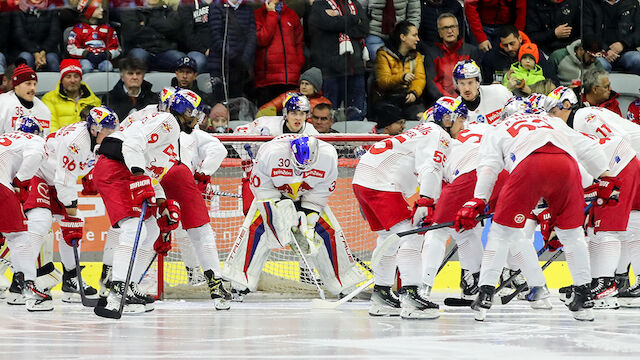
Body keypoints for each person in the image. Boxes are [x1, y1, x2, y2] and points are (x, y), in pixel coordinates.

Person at [453, 100, 615, 322]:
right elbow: (588, 147)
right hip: (566, 166)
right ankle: (584, 296)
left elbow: (489, 167)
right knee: (573, 235)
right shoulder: (552, 121)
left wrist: (478, 199)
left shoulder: (500, 127)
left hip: (529, 166)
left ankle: (485, 295)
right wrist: (606, 175)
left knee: (501, 234)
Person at [92, 89, 205, 318]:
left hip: (123, 169)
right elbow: (132, 145)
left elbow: (151, 169)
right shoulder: (168, 121)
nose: (196, 119)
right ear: (182, 111)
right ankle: (117, 289)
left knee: (152, 229)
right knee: (134, 227)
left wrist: (161, 200)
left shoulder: (172, 133)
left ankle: (129, 286)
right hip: (116, 168)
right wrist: (137, 175)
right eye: (193, 113)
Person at [121, 88, 232, 310]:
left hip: (146, 175)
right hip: (173, 174)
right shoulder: (172, 124)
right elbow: (218, 149)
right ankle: (216, 283)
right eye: (193, 115)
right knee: (198, 230)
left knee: (145, 231)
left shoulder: (143, 115)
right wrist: (202, 174)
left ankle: (124, 284)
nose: (196, 120)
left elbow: (123, 137)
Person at [222, 134, 366, 300]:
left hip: (308, 196)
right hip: (274, 196)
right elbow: (263, 191)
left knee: (329, 231)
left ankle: (344, 283)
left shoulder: (328, 157)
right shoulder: (271, 153)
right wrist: (282, 217)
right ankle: (240, 282)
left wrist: (308, 226)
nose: (301, 170)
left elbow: (319, 195)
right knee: (256, 229)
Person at [352, 101, 456, 319]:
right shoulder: (439, 135)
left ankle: (382, 295)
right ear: (447, 120)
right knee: (413, 236)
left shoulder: (422, 130)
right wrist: (426, 201)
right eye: (461, 119)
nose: (463, 124)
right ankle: (411, 295)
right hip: (382, 182)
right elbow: (430, 168)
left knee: (388, 237)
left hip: (363, 177)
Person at [545, 87, 640, 308]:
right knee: (629, 223)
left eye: (553, 110)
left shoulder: (583, 117)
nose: (550, 117)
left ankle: (606, 283)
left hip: (624, 163)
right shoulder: (572, 129)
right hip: (625, 163)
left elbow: (617, 142)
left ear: (567, 105)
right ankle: (601, 280)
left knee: (606, 226)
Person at [19, 106, 120, 308]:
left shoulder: (97, 138)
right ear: (94, 129)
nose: (111, 134)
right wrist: (71, 213)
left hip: (60, 178)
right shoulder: (76, 142)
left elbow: (80, 169)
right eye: (108, 130)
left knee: (72, 227)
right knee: (42, 222)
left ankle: (71, 279)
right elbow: (63, 180)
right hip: (40, 173)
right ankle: (23, 282)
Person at [236, 93, 319, 215]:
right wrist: (249, 157)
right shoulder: (266, 124)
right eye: (294, 113)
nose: (298, 118)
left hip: (293, 179)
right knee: (254, 214)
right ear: (286, 114)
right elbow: (237, 133)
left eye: (302, 113)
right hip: (264, 176)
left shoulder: (311, 132)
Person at [0, 117, 48, 311]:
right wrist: (21, 182)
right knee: (19, 237)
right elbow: (35, 155)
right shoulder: (34, 139)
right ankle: (29, 288)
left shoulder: (5, 137)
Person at [308, 0, 369, 121]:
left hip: (355, 68)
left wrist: (340, 22)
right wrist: (354, 20)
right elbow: (329, 24)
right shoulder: (320, 4)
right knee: (329, 115)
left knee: (357, 113)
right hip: (330, 70)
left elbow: (364, 29)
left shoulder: (355, 4)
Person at [253, 0, 305, 106]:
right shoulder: (258, 15)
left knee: (290, 117)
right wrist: (271, 13)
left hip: (290, 78)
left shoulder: (291, 14)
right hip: (267, 79)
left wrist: (298, 65)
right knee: (266, 119)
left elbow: (299, 43)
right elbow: (262, 39)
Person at [423, 13, 482, 102]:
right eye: (445, 28)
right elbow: (432, 84)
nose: (450, 31)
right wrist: (450, 101)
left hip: (469, 100)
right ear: (440, 33)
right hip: (443, 102)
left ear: (458, 30)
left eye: (453, 27)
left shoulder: (471, 51)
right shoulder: (432, 54)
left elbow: (478, 80)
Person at [374, 20, 426, 120]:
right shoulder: (383, 54)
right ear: (403, 37)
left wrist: (414, 93)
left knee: (421, 116)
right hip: (388, 99)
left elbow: (420, 78)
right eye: (414, 35)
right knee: (391, 118)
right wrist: (402, 77)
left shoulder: (417, 56)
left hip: (409, 99)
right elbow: (383, 81)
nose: (418, 39)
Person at [207, 0, 257, 103]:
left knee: (236, 103)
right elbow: (216, 36)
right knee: (219, 103)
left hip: (240, 67)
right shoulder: (217, 6)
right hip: (220, 64)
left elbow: (252, 35)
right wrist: (233, 56)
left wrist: (245, 58)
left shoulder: (247, 8)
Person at [119, 0, 185, 72]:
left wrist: (146, 23)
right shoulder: (129, 9)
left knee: (182, 60)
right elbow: (132, 33)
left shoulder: (167, 9)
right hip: (140, 48)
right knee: (139, 57)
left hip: (164, 50)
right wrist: (162, 32)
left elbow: (174, 28)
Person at [481, 25, 557, 85]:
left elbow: (552, 80)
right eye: (505, 45)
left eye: (512, 43)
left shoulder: (534, 53)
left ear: (520, 39)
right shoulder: (492, 57)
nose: (509, 48)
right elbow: (486, 84)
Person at [41, 59, 102, 132]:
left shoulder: (94, 100)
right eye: (68, 77)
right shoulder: (49, 99)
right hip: (60, 141)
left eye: (76, 76)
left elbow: (100, 128)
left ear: (80, 79)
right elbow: (51, 128)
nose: (73, 80)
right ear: (62, 80)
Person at [583, 0, 640, 75]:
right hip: (599, 52)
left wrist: (623, 44)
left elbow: (638, 32)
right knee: (601, 66)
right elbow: (587, 33)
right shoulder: (590, 3)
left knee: (637, 60)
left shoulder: (631, 3)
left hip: (626, 51)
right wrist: (605, 50)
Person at [66, 0, 122, 73]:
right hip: (85, 59)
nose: (102, 10)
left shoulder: (108, 28)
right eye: (97, 8)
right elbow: (71, 48)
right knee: (86, 67)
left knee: (108, 67)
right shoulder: (78, 29)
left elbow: (117, 48)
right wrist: (85, 54)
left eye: (102, 7)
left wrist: (107, 54)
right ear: (88, 11)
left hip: (104, 59)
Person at [452, 60, 512, 125]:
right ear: (457, 85)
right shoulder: (454, 110)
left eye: (470, 83)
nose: (466, 89)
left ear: (478, 82)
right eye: (462, 84)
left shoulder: (500, 92)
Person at [257, 67, 331, 117]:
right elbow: (264, 109)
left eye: (307, 84)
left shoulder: (325, 103)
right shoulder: (289, 96)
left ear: (315, 87)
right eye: (302, 83)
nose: (303, 86)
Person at [0, 64, 52, 136]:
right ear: (16, 86)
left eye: (34, 84)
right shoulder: (3, 103)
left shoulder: (44, 109)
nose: (32, 88)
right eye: (28, 84)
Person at [12, 0, 61, 71]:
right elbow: (19, 36)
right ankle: (25, 81)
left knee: (52, 59)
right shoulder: (18, 9)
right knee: (25, 58)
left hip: (48, 50)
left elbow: (55, 33)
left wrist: (43, 51)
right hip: (26, 49)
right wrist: (35, 53)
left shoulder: (52, 8)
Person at [178, 0, 213, 74]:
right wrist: (204, 50)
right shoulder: (186, 4)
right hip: (197, 50)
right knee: (199, 62)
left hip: (218, 49)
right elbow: (188, 34)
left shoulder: (222, 4)